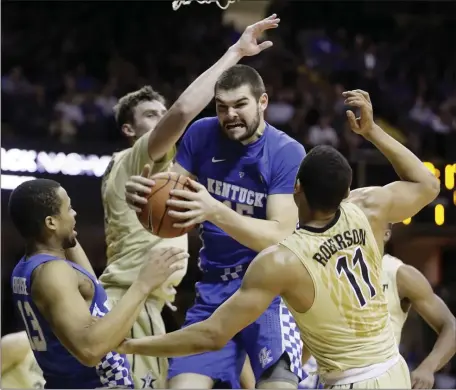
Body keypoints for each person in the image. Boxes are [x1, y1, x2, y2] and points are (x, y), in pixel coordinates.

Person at [121, 89, 441, 389]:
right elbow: (427, 184)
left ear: (296, 187)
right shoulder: (368, 209)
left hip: (349, 380)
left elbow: (212, 334)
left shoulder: (283, 260)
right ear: (345, 191)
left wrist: (131, 344)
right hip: (393, 369)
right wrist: (372, 131)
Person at [99, 14, 280, 388]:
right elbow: (183, 111)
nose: (163, 120)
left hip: (147, 303)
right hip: (132, 303)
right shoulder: (139, 157)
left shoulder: (164, 173)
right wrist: (235, 53)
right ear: (129, 131)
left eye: (161, 113)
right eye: (152, 116)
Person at [126, 63, 306, 388]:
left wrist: (214, 210)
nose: (230, 115)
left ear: (262, 102)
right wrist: (143, 196)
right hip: (214, 291)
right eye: (222, 107)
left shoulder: (286, 152)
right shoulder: (201, 133)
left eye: (240, 105)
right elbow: (172, 198)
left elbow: (279, 237)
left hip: (269, 291)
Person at [8, 178, 187, 389]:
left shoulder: (29, 266)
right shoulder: (52, 272)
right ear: (51, 222)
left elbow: (94, 291)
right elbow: (90, 350)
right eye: (69, 208)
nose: (75, 214)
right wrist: (143, 284)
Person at [382, 224, 456, 389]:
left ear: (386, 233)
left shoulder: (397, 273)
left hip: (383, 381)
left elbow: (451, 326)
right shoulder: (329, 269)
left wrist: (428, 367)